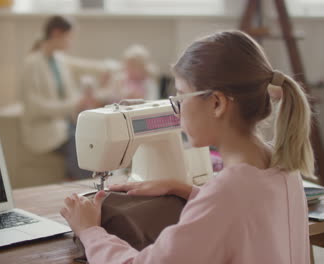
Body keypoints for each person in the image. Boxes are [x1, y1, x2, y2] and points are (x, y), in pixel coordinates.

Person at [60, 30, 313, 263]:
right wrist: (183, 189)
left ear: (216, 103)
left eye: (180, 97)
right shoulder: (283, 165)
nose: (177, 111)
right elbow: (248, 213)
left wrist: (89, 230)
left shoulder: (227, 192)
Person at [20, 15, 109, 180]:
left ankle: (89, 182)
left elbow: (84, 69)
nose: (71, 42)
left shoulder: (58, 60)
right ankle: (88, 186)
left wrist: (107, 70)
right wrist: (74, 104)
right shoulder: (32, 64)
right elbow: (35, 108)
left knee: (96, 136)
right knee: (80, 142)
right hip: (46, 129)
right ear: (56, 33)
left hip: (66, 124)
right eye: (70, 37)